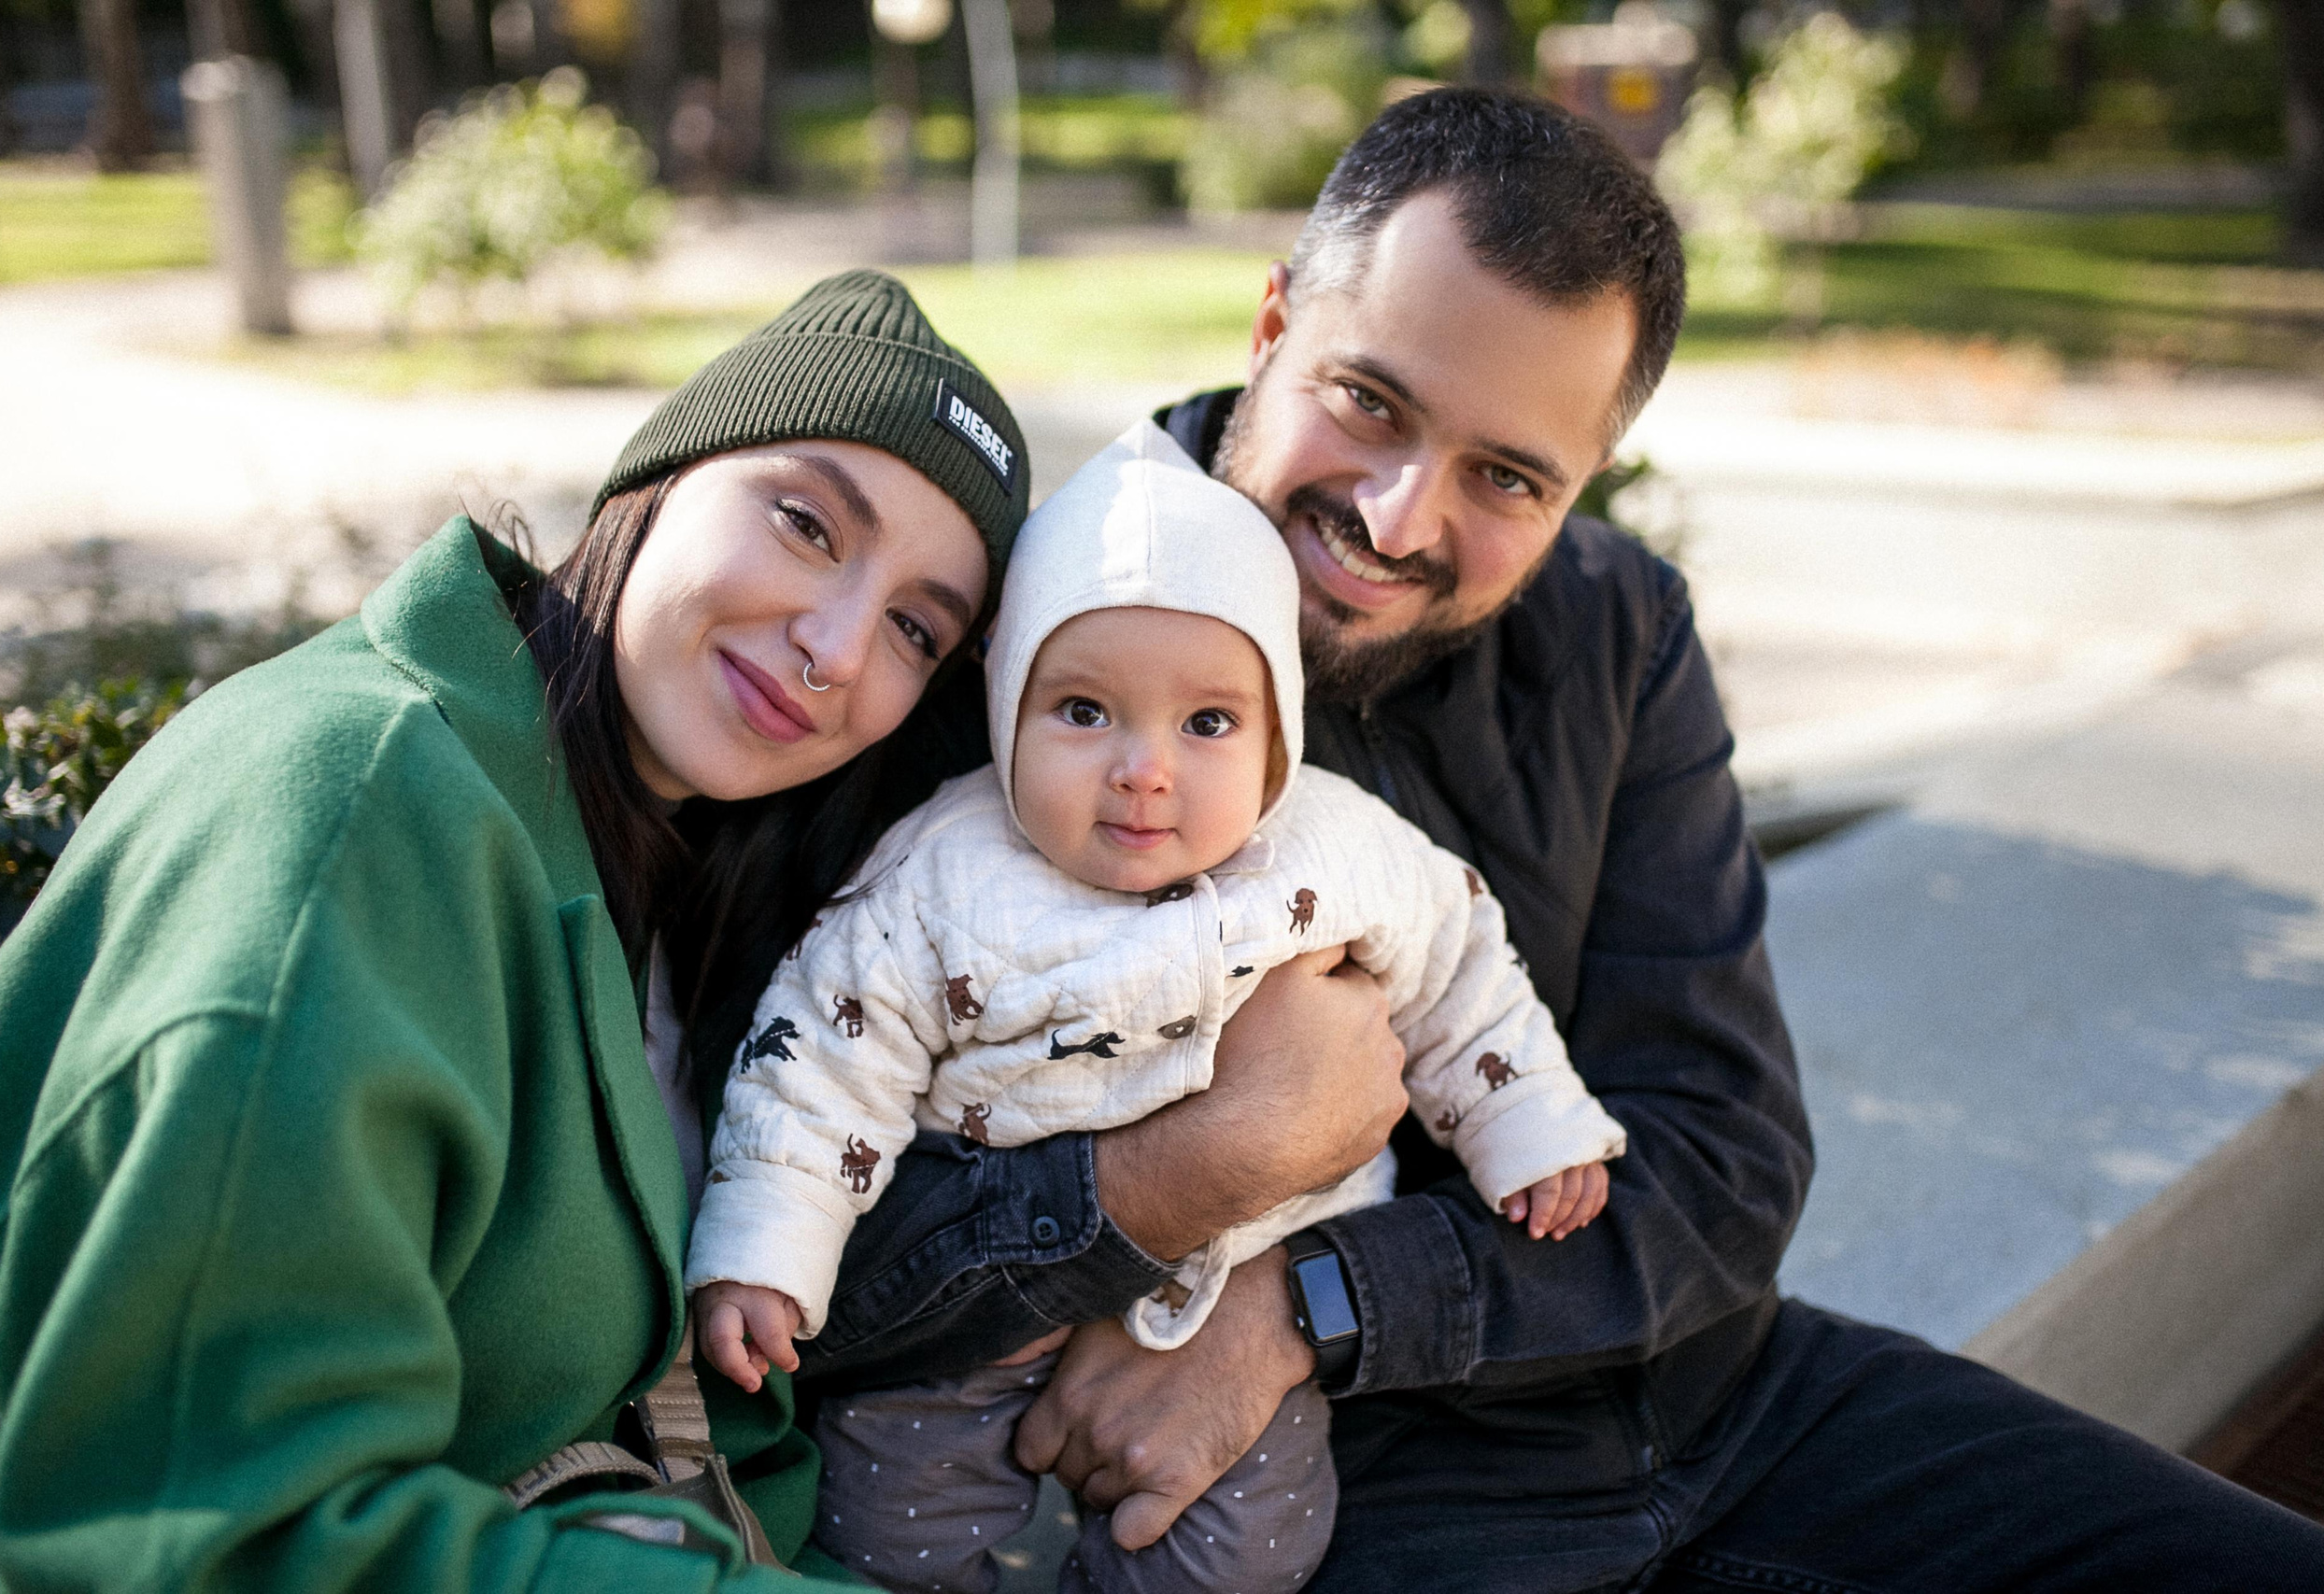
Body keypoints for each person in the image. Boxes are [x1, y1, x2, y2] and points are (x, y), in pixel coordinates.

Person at [790, 92, 2324, 1592]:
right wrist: (1183, 1178)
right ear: (1271, 327)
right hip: (1353, 1506)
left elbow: (1718, 1156)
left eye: (1507, 477)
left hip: (1730, 1409)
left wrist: (1302, 1300)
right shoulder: (1024, 649)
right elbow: (831, 1234)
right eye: (1369, 403)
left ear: (1586, 480)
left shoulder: (1617, 628)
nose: (1399, 517)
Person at [0, 269, 1031, 1593]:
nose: (839, 647)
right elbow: (219, 1528)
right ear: (663, 475)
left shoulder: (668, 851)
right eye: (804, 522)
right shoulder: (346, 809)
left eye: (918, 625)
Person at [686, 420, 1625, 1593]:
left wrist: (1526, 1125)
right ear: (1007, 707)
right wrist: (769, 1251)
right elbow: (820, 1064)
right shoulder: (935, 879)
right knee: (884, 1524)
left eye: (1208, 723)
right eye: (1083, 712)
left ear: (1277, 724)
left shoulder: (1340, 853)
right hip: (987, 1298)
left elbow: (1463, 976)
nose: (1144, 769)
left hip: (1238, 1291)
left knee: (1242, 1552)